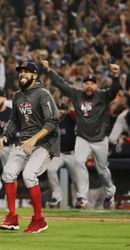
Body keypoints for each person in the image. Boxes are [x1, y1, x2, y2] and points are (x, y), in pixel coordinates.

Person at [42, 60, 120, 209]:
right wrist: (48, 70)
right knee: (79, 162)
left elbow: (115, 89)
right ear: (83, 85)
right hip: (83, 137)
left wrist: (116, 76)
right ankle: (82, 197)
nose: (89, 86)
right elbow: (61, 84)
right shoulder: (77, 94)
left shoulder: (102, 96)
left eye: (92, 83)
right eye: (86, 83)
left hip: (100, 139)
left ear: (96, 86)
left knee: (102, 169)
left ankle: (110, 191)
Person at [0, 62, 59, 234]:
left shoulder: (43, 94)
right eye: (20, 72)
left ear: (34, 75)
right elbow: (14, 120)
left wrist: (33, 139)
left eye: (26, 72)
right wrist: (5, 135)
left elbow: (53, 121)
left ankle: (39, 220)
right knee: (8, 173)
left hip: (45, 143)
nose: (22, 74)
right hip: (25, 142)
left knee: (28, 175)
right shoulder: (17, 96)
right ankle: (12, 217)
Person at [46, 102, 78, 207]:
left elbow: (76, 116)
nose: (60, 111)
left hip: (71, 154)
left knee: (76, 178)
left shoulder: (70, 119)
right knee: (50, 169)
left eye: (62, 109)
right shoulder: (52, 121)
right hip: (58, 154)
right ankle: (56, 195)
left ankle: (77, 200)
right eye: (58, 109)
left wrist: (70, 108)